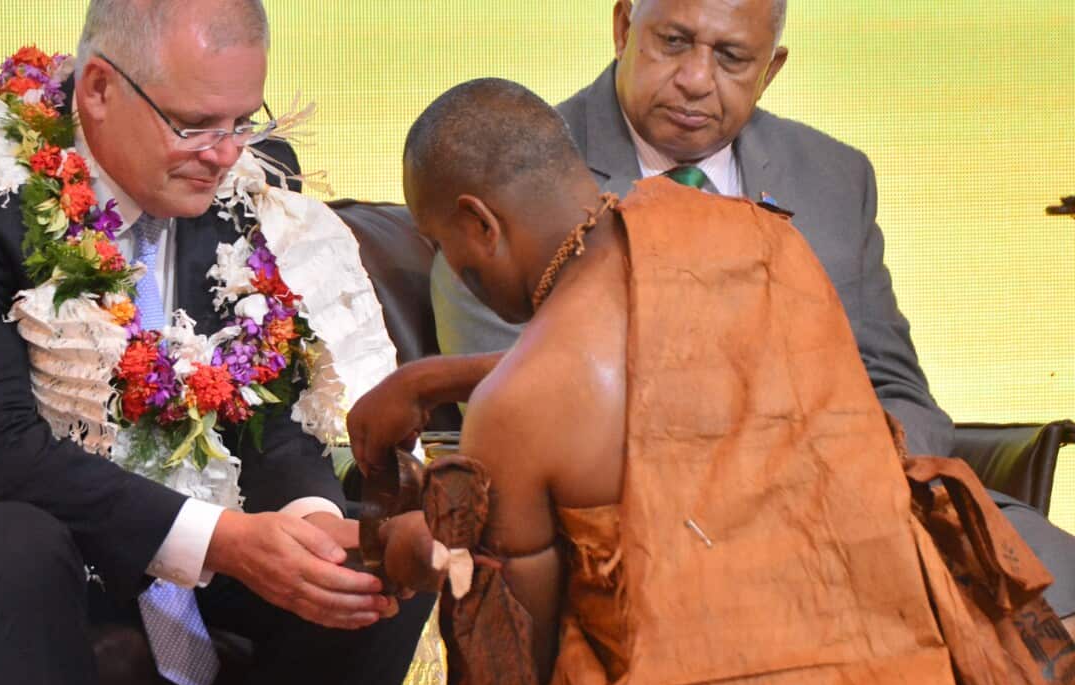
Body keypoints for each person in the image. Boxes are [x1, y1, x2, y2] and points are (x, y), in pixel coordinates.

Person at [0, 1, 429, 685]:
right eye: (194, 125)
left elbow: (267, 403)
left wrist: (311, 519)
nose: (227, 154)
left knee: (363, 576)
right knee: (21, 546)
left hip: (145, 523)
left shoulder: (243, 177)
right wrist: (224, 541)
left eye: (242, 121)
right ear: (99, 89)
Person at [388, 0, 1075, 626]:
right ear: (624, 24)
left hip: (868, 514)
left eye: (730, 57)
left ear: (770, 69)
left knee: (1050, 584)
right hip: (663, 561)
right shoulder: (508, 162)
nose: (694, 78)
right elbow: (527, 406)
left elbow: (898, 391)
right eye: (674, 41)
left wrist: (859, 477)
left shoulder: (835, 176)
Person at [387, 77, 994, 685]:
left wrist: (420, 550)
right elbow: (673, 375)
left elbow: (514, 673)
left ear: (479, 223)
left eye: (443, 247)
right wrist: (432, 379)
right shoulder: (770, 245)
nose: (452, 270)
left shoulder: (517, 409)